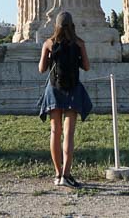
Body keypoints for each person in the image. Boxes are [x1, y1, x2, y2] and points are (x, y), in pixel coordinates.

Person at [37, 11, 92, 188]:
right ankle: (66, 176)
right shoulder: (79, 43)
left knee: (55, 131)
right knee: (68, 133)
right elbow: (86, 67)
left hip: (54, 89)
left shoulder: (49, 43)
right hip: (73, 89)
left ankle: (57, 173)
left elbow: (41, 69)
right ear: (72, 25)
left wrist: (49, 56)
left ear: (57, 26)